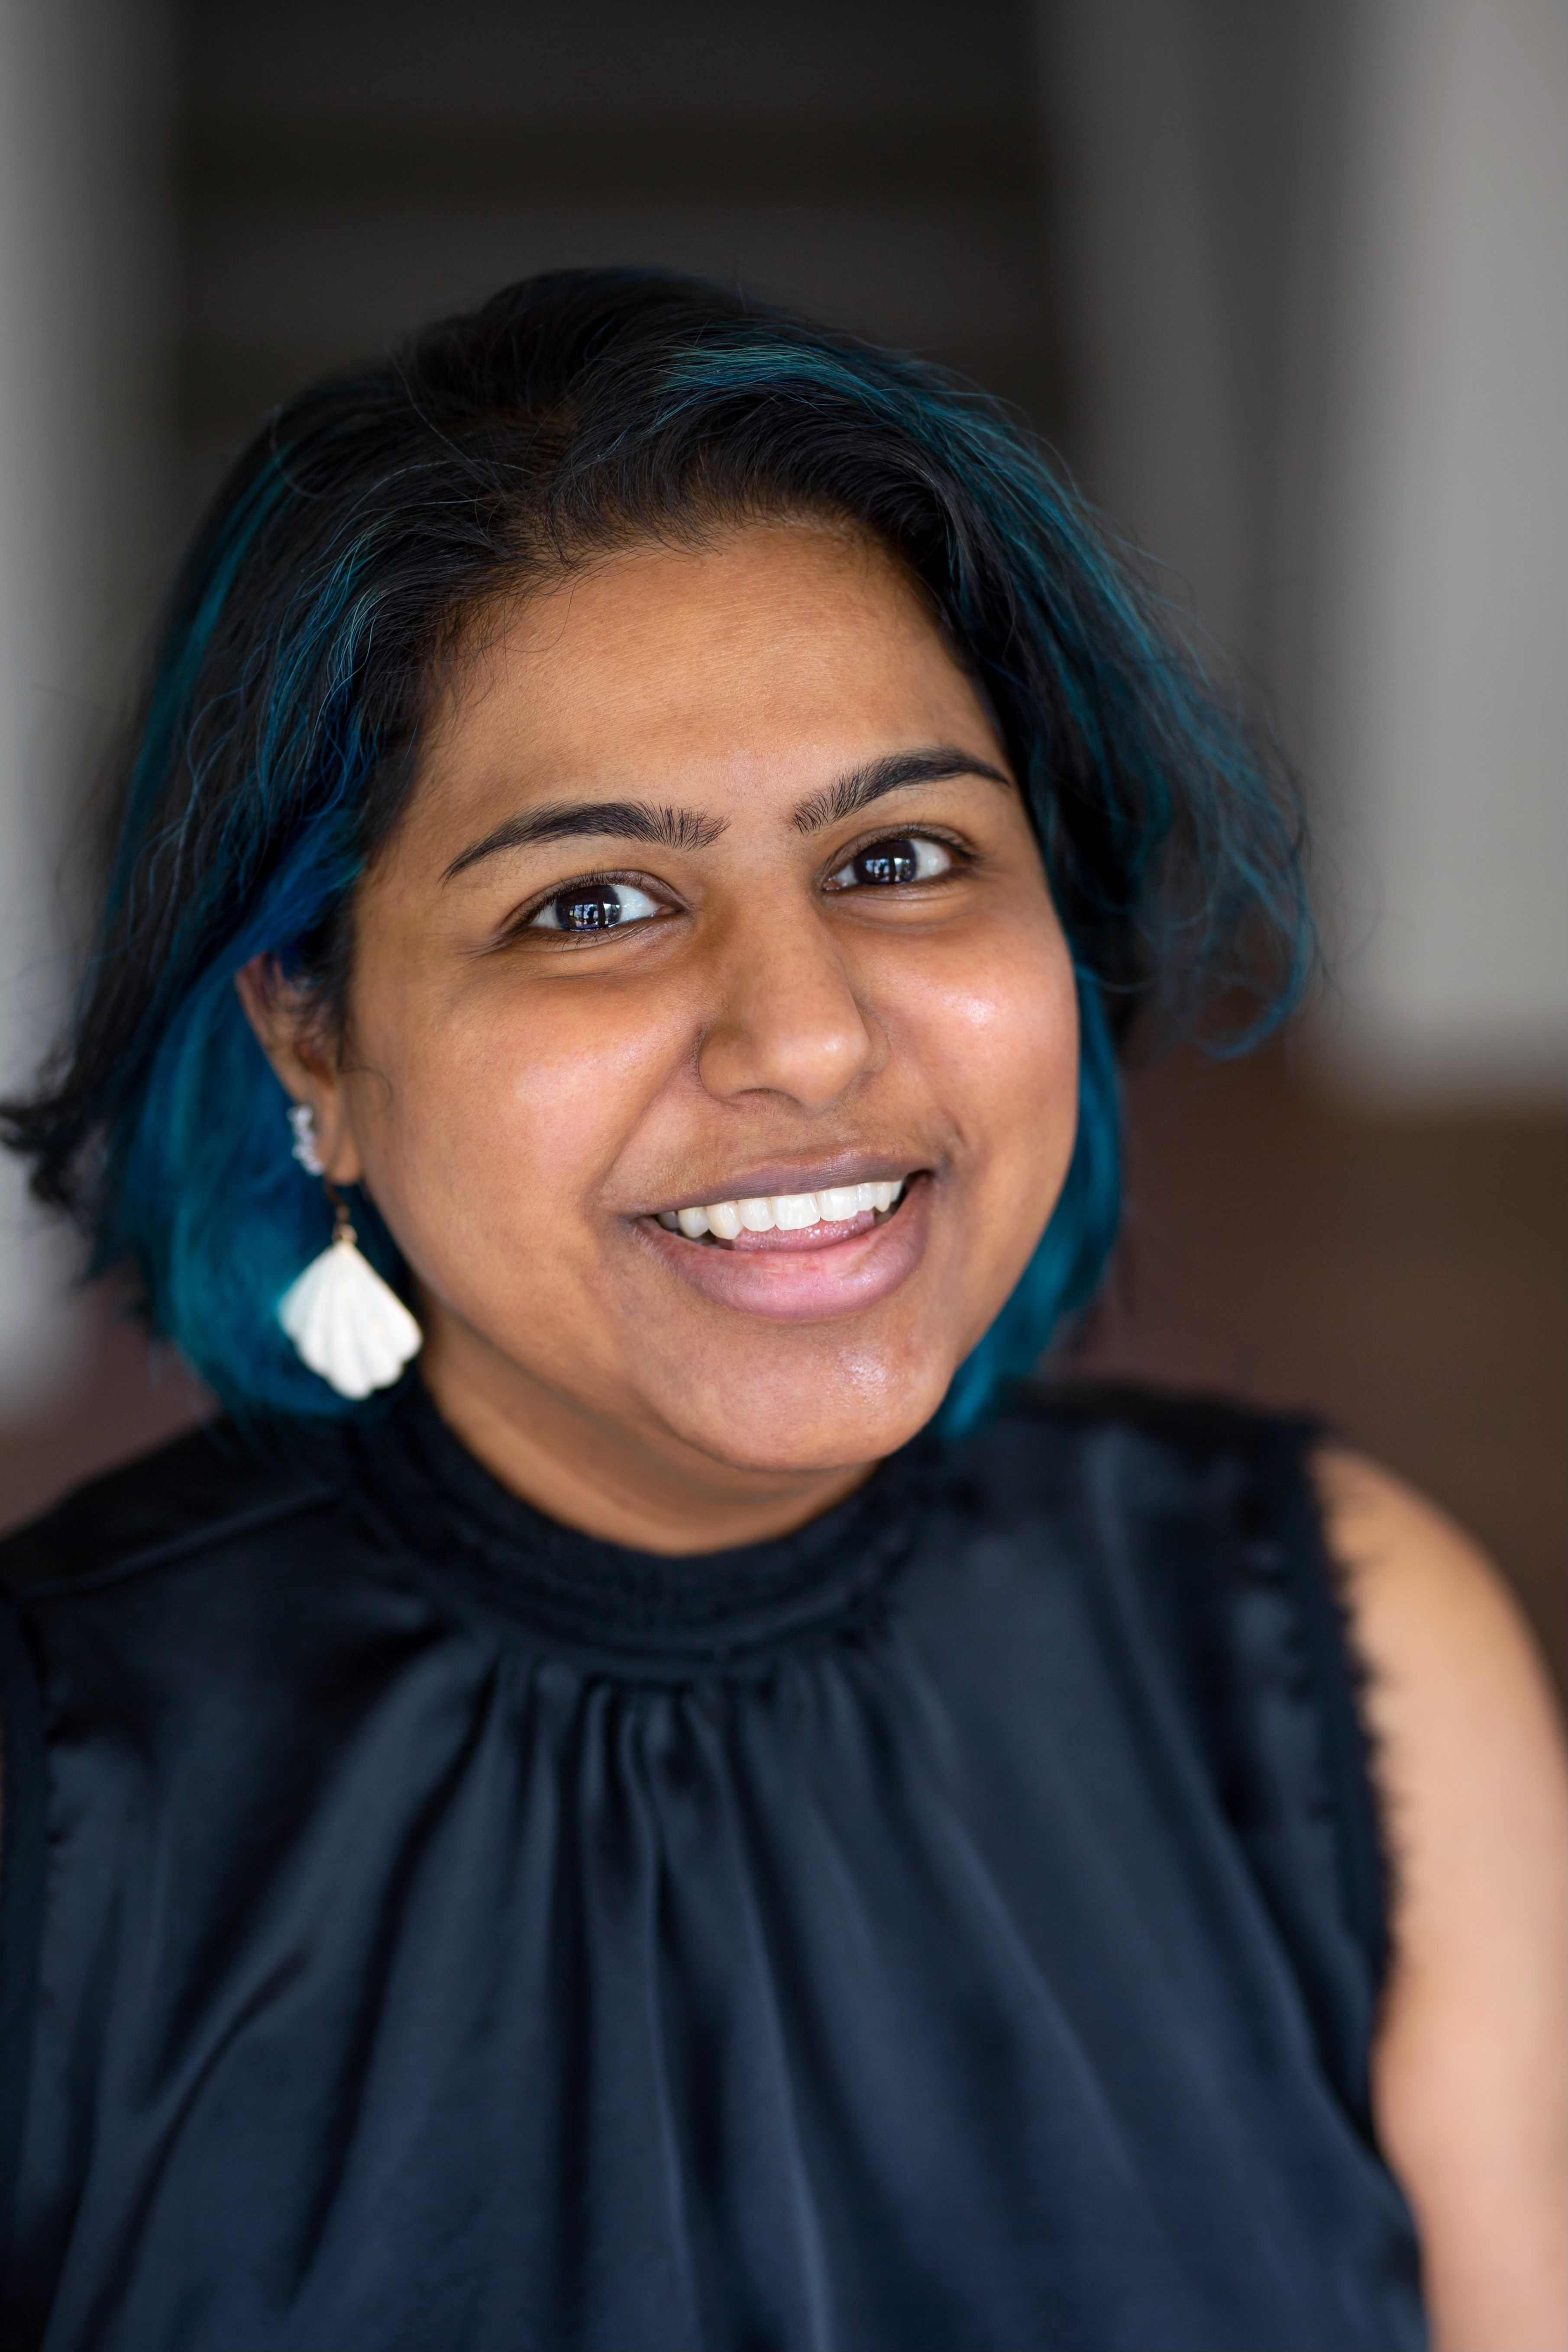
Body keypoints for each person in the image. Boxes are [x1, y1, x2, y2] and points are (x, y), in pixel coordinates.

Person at [0, 269, 1561, 2352]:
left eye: (903, 855)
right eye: (591, 903)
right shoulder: (59, 1790)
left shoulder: (1344, 1651)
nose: (806, 1034)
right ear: (314, 1037)